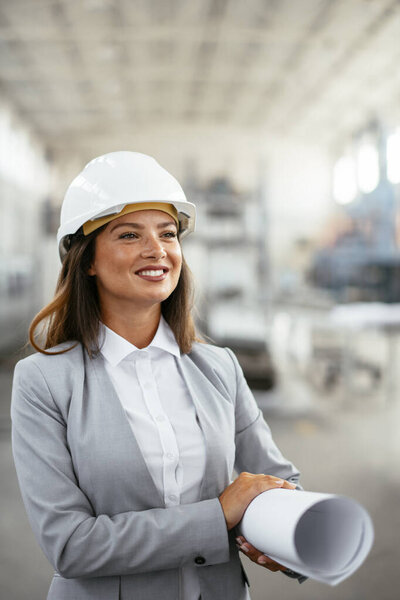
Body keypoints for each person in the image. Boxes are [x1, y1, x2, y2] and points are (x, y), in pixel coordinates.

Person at [11, 151, 303, 600]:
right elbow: (70, 545)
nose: (157, 250)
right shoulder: (43, 382)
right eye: (130, 234)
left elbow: (277, 479)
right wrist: (219, 515)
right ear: (86, 259)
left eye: (168, 234)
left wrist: (285, 530)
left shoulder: (219, 366)